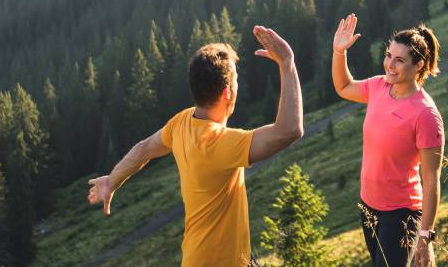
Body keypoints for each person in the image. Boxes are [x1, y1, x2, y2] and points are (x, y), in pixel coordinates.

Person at [86, 25, 302, 267]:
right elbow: (289, 130)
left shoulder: (181, 123)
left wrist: (111, 181)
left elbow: (142, 150)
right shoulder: (219, 142)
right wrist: (287, 63)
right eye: (236, 81)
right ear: (227, 92)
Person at [331, 14, 445, 267]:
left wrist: (425, 237)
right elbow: (343, 87)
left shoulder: (425, 114)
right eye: (388, 56)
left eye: (400, 60)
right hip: (368, 205)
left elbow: (431, 179)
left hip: (401, 214)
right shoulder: (379, 87)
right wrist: (339, 52)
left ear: (419, 65)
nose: (390, 65)